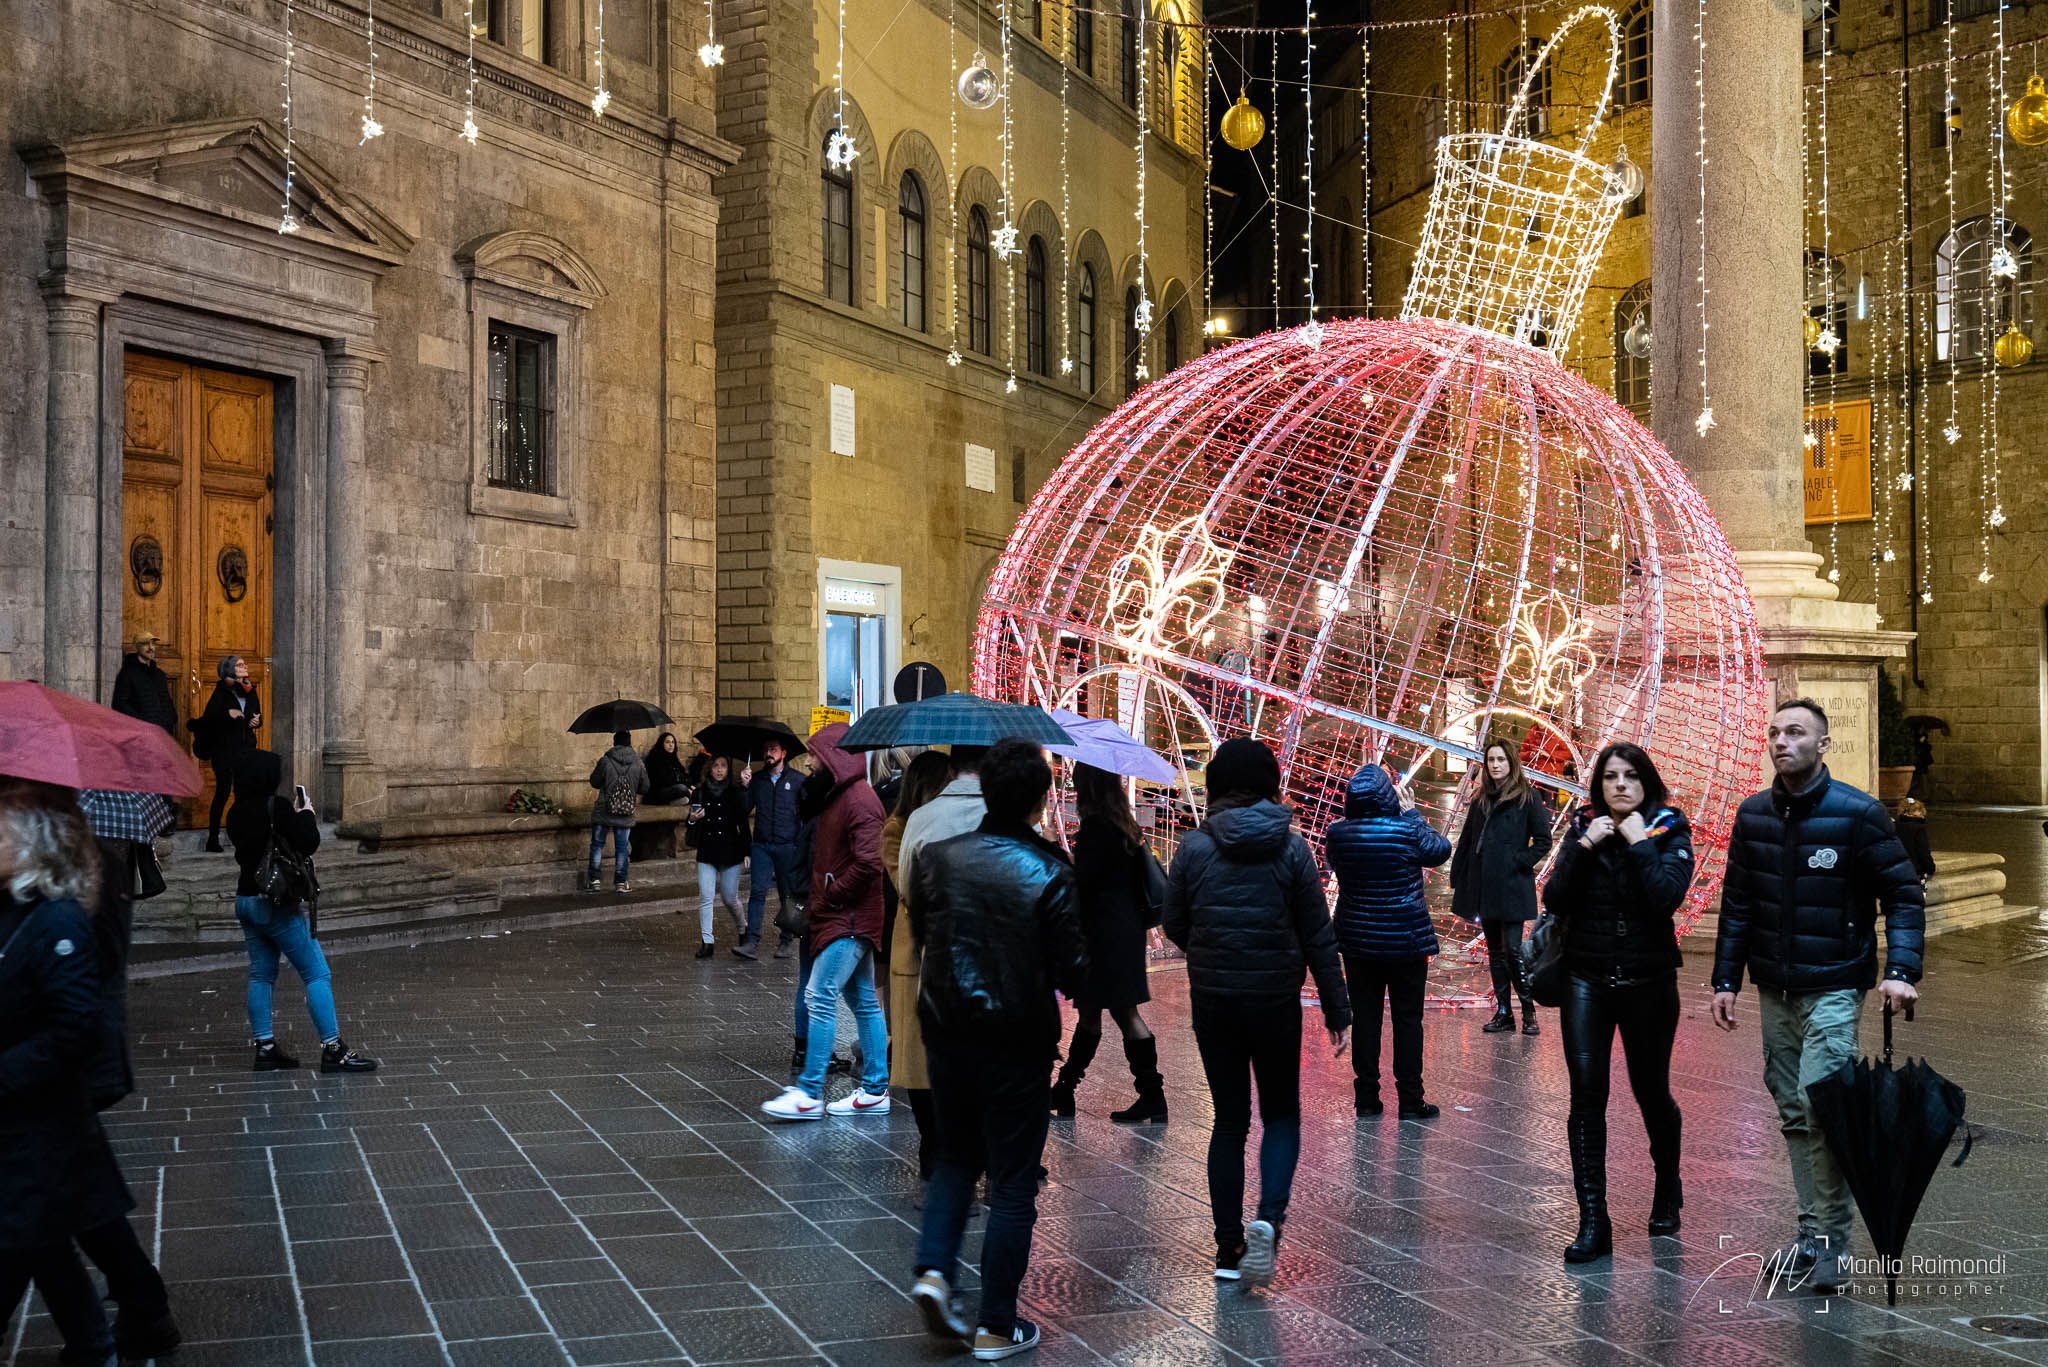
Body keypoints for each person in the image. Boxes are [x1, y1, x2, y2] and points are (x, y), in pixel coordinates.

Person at [1711, 699, 1925, 1291]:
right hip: (1775, 989)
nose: (1782, 741)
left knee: (1821, 1106)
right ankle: (1811, 1236)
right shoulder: (1752, 815)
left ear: (1822, 744)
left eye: (1796, 733)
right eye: (1775, 732)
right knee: (1792, 1111)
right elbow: (1739, 906)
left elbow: (1904, 896)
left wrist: (1902, 968)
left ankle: (1833, 1243)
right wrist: (1726, 979)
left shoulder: (1858, 815)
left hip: (1834, 983)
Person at [905, 739, 1087, 1361]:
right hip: (1016, 1040)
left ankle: (933, 1270)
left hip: (947, 1030)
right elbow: (1075, 970)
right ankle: (996, 1325)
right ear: (1041, 801)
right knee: (1011, 1182)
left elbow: (924, 930)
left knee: (956, 1158)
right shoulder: (1052, 870)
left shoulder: (938, 858)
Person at [1162, 738, 1351, 1287]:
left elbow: (1174, 921)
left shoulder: (1193, 849)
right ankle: (1268, 1218)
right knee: (1281, 1115)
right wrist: (1338, 1007)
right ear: (1271, 785)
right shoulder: (1293, 850)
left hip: (1216, 1002)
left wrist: (1207, 947)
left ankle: (1227, 1248)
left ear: (1217, 785)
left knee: (1228, 1121)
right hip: (1274, 1000)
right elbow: (1318, 934)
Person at [1540, 742, 1694, 1264]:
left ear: (1647, 783)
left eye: (1631, 776)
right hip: (1587, 977)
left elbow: (1666, 898)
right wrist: (1585, 846)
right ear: (1598, 785)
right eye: (1611, 777)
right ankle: (1593, 1219)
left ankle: (1667, 1186)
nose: (1621, 785)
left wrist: (1639, 844)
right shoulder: (1583, 829)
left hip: (1649, 981)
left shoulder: (1671, 831)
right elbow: (1554, 899)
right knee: (1586, 1096)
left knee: (1651, 1092)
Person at [0, 787, 136, 1367]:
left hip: (42, 1111)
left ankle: (109, 1332)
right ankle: (97, 1341)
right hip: (28, 1118)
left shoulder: (59, 919)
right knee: (46, 1236)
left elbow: (76, 1019)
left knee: (28, 1234)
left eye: (3, 834)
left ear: (32, 844)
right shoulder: (18, 909)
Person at [763, 724, 891, 1121]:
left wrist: (833, 893)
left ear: (833, 757)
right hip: (845, 915)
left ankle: (810, 1091)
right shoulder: (843, 796)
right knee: (863, 1000)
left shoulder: (859, 800)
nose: (809, 762)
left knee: (819, 996)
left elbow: (870, 862)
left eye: (815, 756)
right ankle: (874, 1089)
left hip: (849, 917)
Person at [225, 751, 377, 1074]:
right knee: (316, 972)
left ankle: (265, 1047)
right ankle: (333, 1048)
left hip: (246, 900)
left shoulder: (236, 811)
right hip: (275, 903)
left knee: (261, 973)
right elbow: (309, 841)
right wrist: (306, 813)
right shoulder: (275, 807)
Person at [1325, 761, 1452, 1119]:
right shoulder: (1407, 830)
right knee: (1407, 1019)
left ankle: (1366, 1099)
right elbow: (1440, 850)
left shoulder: (1338, 833)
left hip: (1358, 941)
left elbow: (1335, 865)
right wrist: (1412, 814)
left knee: (1366, 1018)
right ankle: (1411, 1100)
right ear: (1388, 795)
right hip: (1406, 940)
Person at [1049, 763, 1166, 1124]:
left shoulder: (1097, 828)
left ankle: (1147, 1096)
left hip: (1101, 935)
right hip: (1123, 931)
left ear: (1088, 787)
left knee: (1112, 1013)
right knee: (1105, 1012)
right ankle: (1068, 1091)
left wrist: (1056, 852)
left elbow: (1084, 883)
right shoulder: (1124, 825)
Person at [882, 750, 954, 1179]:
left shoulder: (943, 823)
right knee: (916, 1062)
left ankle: (945, 1147)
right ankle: (931, 1146)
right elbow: (906, 885)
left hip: (942, 953)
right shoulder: (897, 828)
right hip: (912, 954)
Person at [1450, 740, 1555, 1036]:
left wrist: (1518, 860)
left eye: (1501, 760)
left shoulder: (1527, 797)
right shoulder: (1481, 798)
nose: (1495, 765)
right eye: (1491, 760)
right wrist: (1458, 874)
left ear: (1511, 763)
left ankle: (1529, 1010)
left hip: (1511, 885)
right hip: (1485, 884)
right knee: (1495, 952)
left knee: (1512, 950)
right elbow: (1468, 840)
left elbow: (1543, 840)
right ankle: (1504, 1012)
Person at [739, 738, 807, 960]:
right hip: (762, 846)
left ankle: (786, 941)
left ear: (783, 753)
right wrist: (744, 786)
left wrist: (801, 846)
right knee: (757, 892)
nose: (768, 753)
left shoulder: (798, 781)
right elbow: (742, 809)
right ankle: (751, 942)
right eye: (766, 749)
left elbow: (807, 815)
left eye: (773, 750)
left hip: (788, 846)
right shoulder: (757, 780)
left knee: (787, 895)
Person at [686, 756, 749, 959]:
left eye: (723, 766)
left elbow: (743, 823)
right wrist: (693, 819)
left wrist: (748, 851)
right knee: (706, 896)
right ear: (709, 769)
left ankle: (743, 927)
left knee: (729, 898)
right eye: (715, 766)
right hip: (707, 851)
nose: (719, 770)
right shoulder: (700, 792)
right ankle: (707, 941)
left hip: (731, 851)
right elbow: (691, 824)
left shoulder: (734, 792)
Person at [198, 655, 260, 852]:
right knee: (223, 792)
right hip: (224, 751)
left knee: (245, 794)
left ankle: (243, 835)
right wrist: (228, 715)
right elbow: (209, 719)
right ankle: (213, 838)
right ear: (230, 670)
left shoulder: (250, 690)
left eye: (244, 664)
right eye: (240, 665)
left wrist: (256, 721)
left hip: (246, 749)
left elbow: (256, 714)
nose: (244, 667)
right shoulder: (221, 691)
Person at [586, 729, 650, 893]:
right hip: (626, 810)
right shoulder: (638, 763)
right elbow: (645, 787)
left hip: (603, 810)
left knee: (597, 845)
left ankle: (594, 881)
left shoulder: (605, 760)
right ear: (630, 743)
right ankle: (621, 882)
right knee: (622, 848)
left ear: (614, 743)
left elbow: (594, 782)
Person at [110, 632, 177, 737]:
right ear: (137, 647)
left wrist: (170, 720)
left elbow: (166, 701)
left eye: (153, 644)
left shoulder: (160, 675)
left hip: (163, 733)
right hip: (140, 734)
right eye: (145, 644)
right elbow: (120, 704)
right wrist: (142, 723)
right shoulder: (127, 673)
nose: (151, 648)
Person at [646, 732, 692, 806]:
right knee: (682, 788)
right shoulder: (655, 758)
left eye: (673, 742)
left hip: (674, 790)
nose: (671, 745)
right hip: (659, 792)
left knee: (696, 787)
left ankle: (674, 802)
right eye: (667, 742)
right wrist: (682, 782)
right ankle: (690, 798)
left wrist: (688, 785)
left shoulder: (673, 758)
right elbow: (663, 780)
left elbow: (685, 775)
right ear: (662, 744)